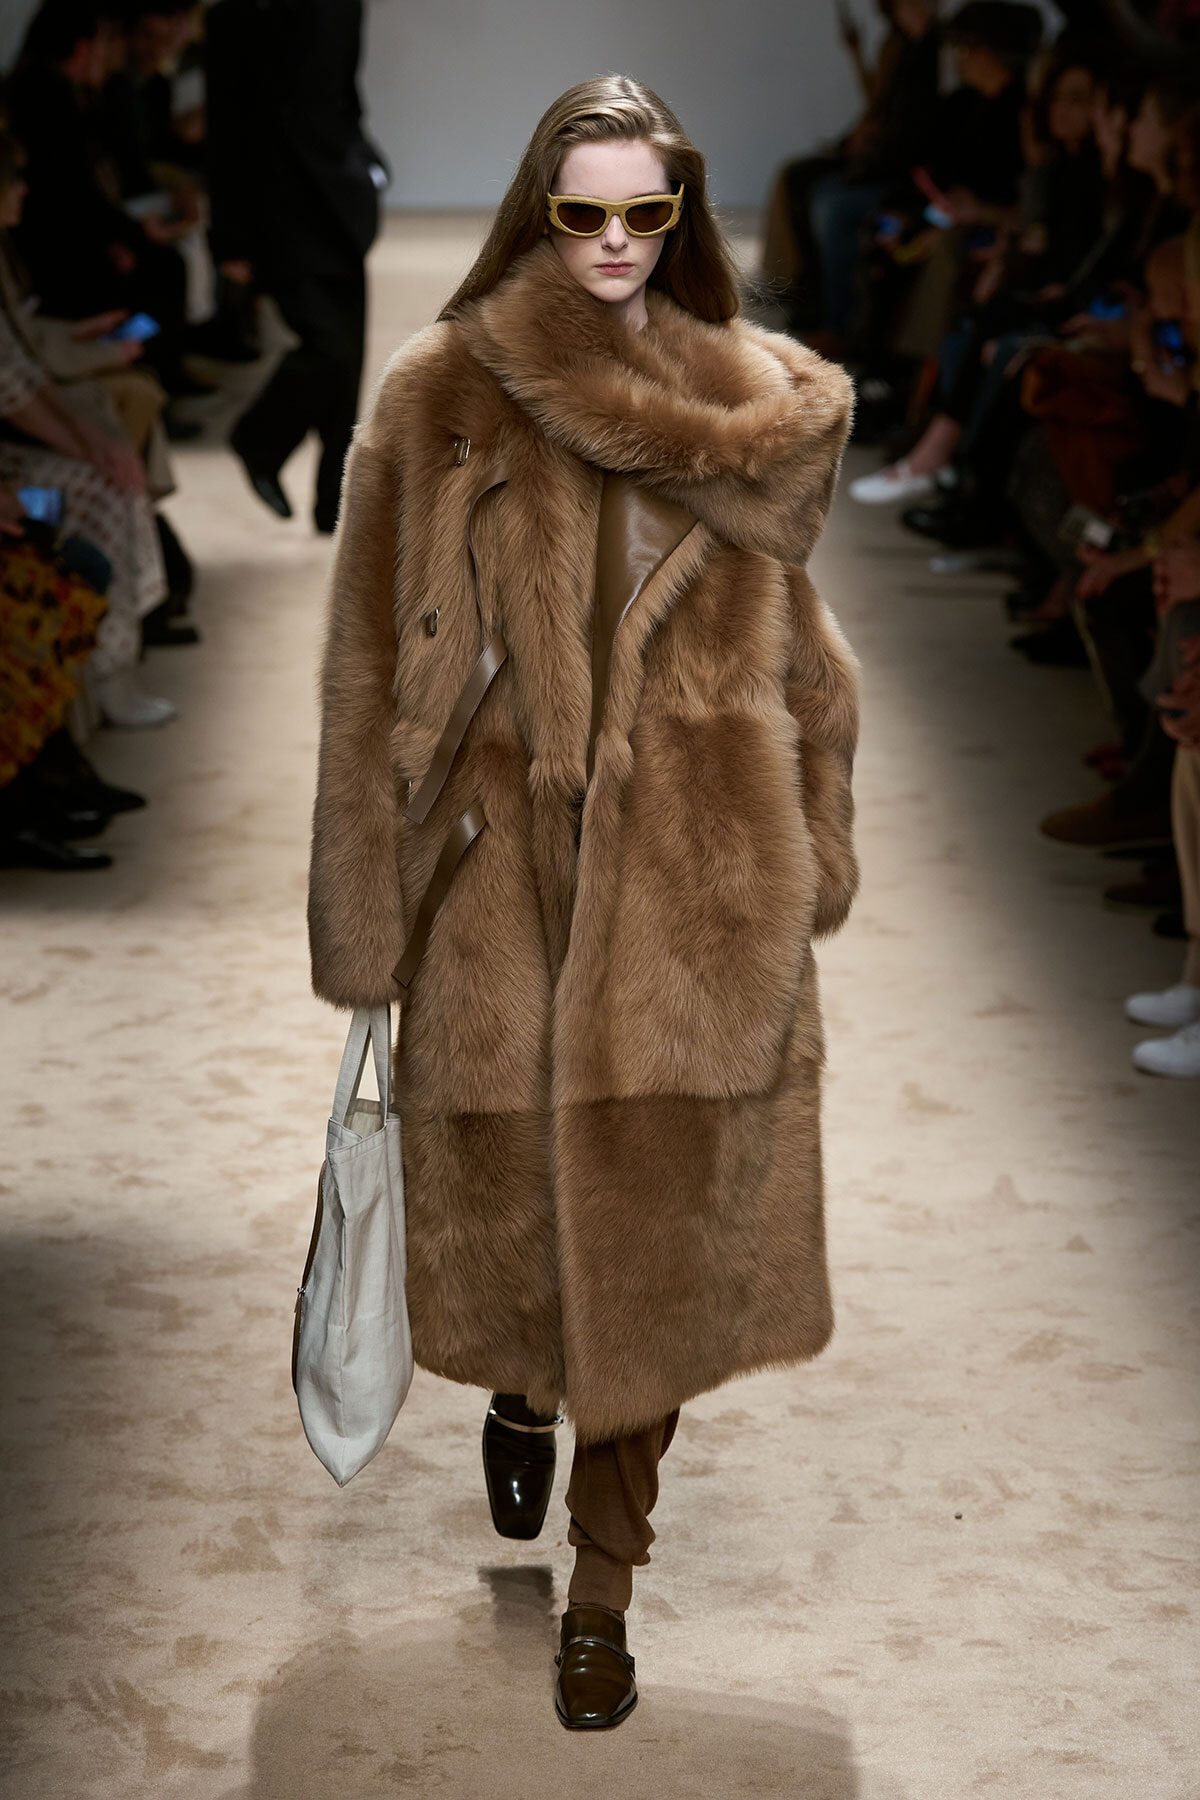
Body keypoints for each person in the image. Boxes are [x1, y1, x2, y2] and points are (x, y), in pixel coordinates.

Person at [306, 74, 859, 1730]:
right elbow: (358, 667)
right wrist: (364, 907)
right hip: (494, 887)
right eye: (582, 213)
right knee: (533, 1223)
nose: (617, 243)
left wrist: (809, 843)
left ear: (681, 209)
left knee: (657, 1233)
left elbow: (812, 667)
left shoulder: (754, 413)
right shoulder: (444, 398)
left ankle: (605, 1592)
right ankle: (531, 1392)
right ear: (538, 212)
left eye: (647, 212)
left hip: (693, 894)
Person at [205, 0, 386, 534]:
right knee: (326, 345)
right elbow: (226, 129)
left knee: (347, 355)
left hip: (340, 203)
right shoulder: (234, 16)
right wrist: (228, 239)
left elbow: (344, 98)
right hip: (275, 211)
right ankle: (258, 439)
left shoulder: (346, 6)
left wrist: (367, 168)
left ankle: (335, 503)